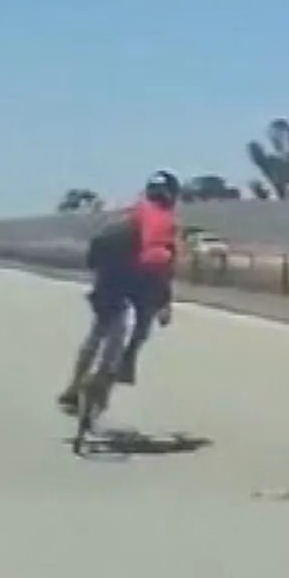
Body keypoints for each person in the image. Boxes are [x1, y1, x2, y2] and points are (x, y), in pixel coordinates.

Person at [56, 170, 179, 411]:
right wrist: (165, 303)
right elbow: (164, 264)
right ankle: (117, 372)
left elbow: (97, 250)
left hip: (112, 277)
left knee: (100, 331)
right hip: (144, 280)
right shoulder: (165, 220)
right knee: (139, 331)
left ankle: (73, 388)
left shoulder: (130, 215)